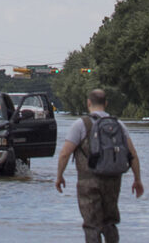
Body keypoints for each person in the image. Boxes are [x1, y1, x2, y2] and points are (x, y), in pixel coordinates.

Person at [54, 89, 143, 243]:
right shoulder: (118, 124)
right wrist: (137, 179)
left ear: (88, 103)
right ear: (106, 103)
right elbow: (132, 154)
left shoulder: (81, 124)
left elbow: (64, 153)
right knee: (110, 222)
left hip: (88, 182)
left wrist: (59, 176)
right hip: (113, 181)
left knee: (92, 225)